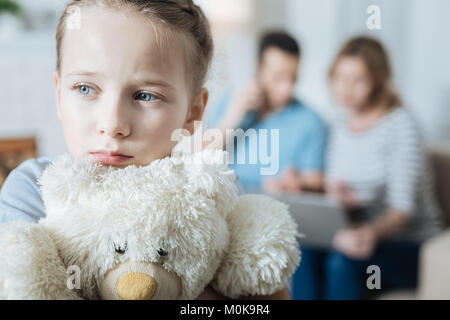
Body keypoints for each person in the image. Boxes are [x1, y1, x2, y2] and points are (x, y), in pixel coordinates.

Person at [0, 0, 290, 300]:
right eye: (85, 88)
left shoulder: (211, 192)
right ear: (59, 95)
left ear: (192, 113)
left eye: (145, 95)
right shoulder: (33, 191)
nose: (112, 125)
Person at [291, 36, 444, 300]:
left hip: (408, 244)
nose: (345, 89)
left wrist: (371, 232)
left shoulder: (401, 125)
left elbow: (401, 212)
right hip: (355, 230)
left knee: (341, 262)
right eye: (339, 78)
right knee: (304, 251)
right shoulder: (339, 126)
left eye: (357, 80)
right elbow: (338, 187)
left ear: (377, 80)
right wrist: (329, 193)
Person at [208, 31, 328, 194]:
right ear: (259, 69)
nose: (287, 88)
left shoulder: (311, 121)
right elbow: (200, 160)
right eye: (278, 78)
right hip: (226, 202)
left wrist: (297, 184)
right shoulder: (231, 102)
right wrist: (232, 117)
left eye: (293, 78)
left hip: (275, 209)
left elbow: (315, 181)